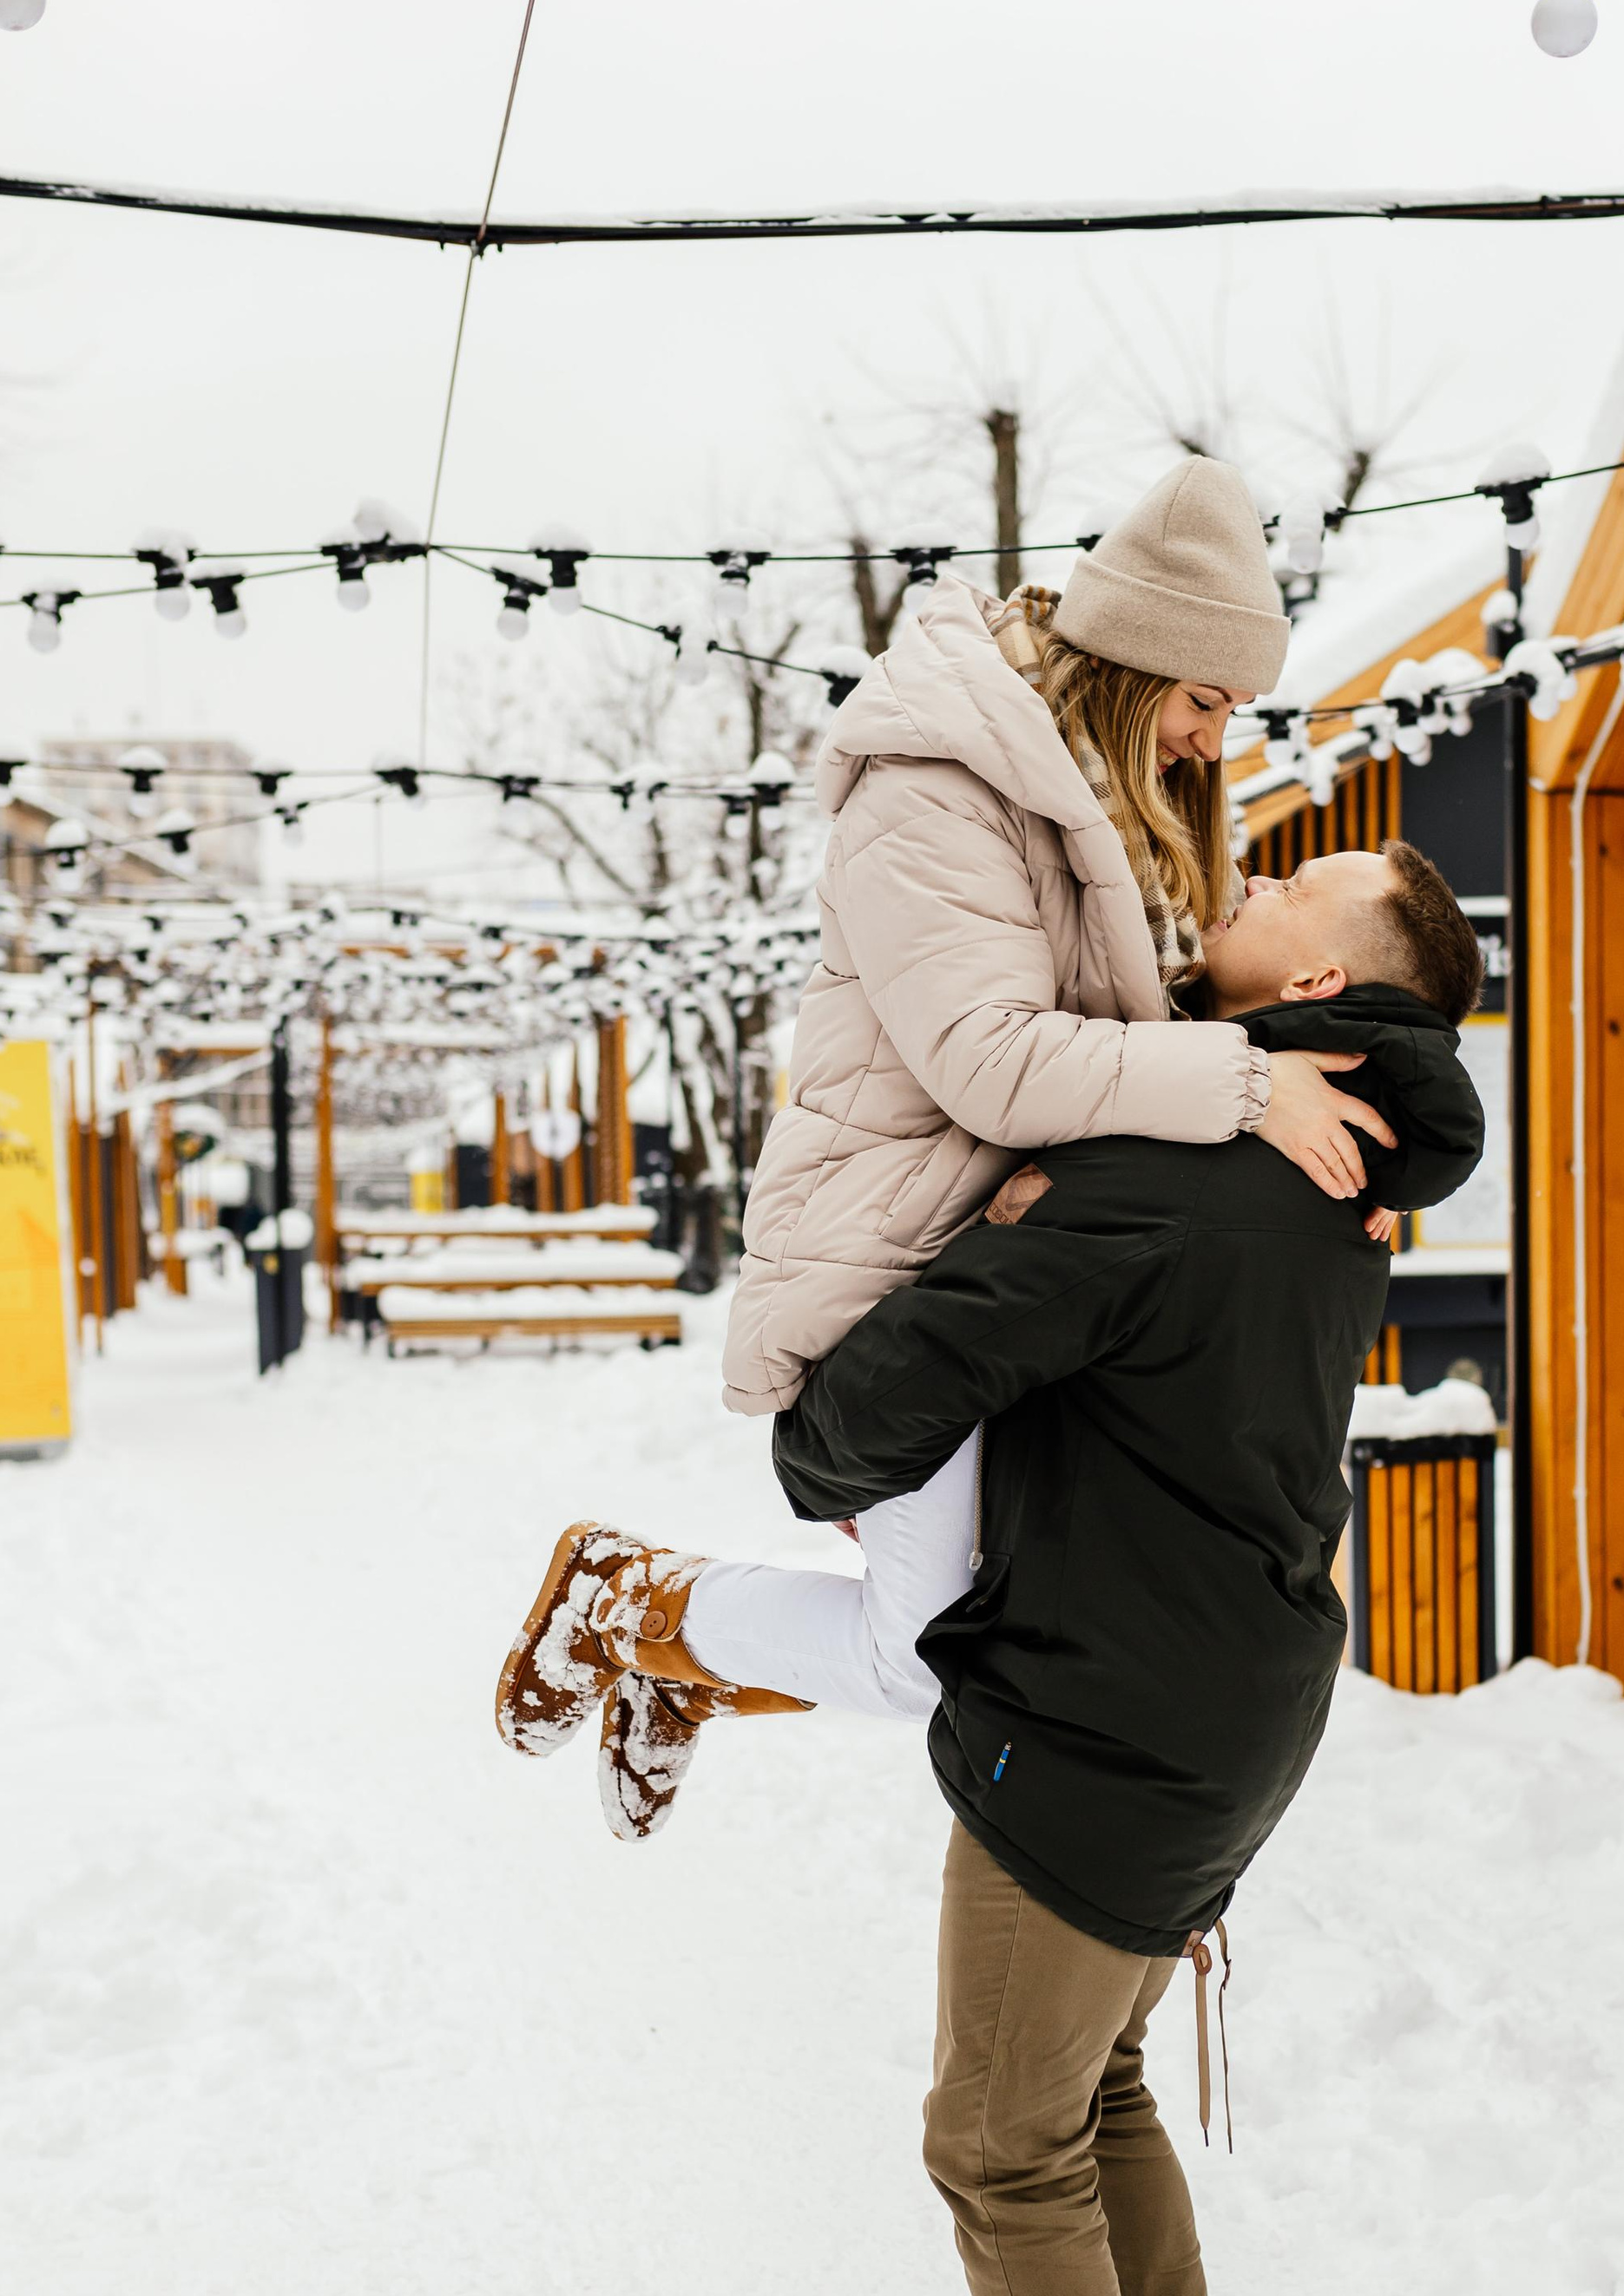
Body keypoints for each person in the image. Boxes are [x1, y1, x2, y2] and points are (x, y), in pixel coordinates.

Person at [504, 837, 1485, 2296]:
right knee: (1093, 2088)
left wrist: (871, 1356)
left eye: (1306, 879)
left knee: (995, 2139)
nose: (1258, 872)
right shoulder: (1335, 1172)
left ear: (1318, 995)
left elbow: (876, 1406)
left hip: (1108, 1716)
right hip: (1225, 1696)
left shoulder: (1186, 1174)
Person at [496, 457, 1401, 1830]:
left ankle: (678, 1659)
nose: (1218, 742)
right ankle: (629, 1599)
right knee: (926, 1656)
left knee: (978, 1631)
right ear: (1137, 661)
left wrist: (1336, 1175)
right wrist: (1247, 1092)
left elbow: (1156, 1048)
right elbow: (991, 1059)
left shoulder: (1107, 813)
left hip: (1006, 1281)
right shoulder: (935, 784)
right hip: (902, 1275)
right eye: (1207, 700)